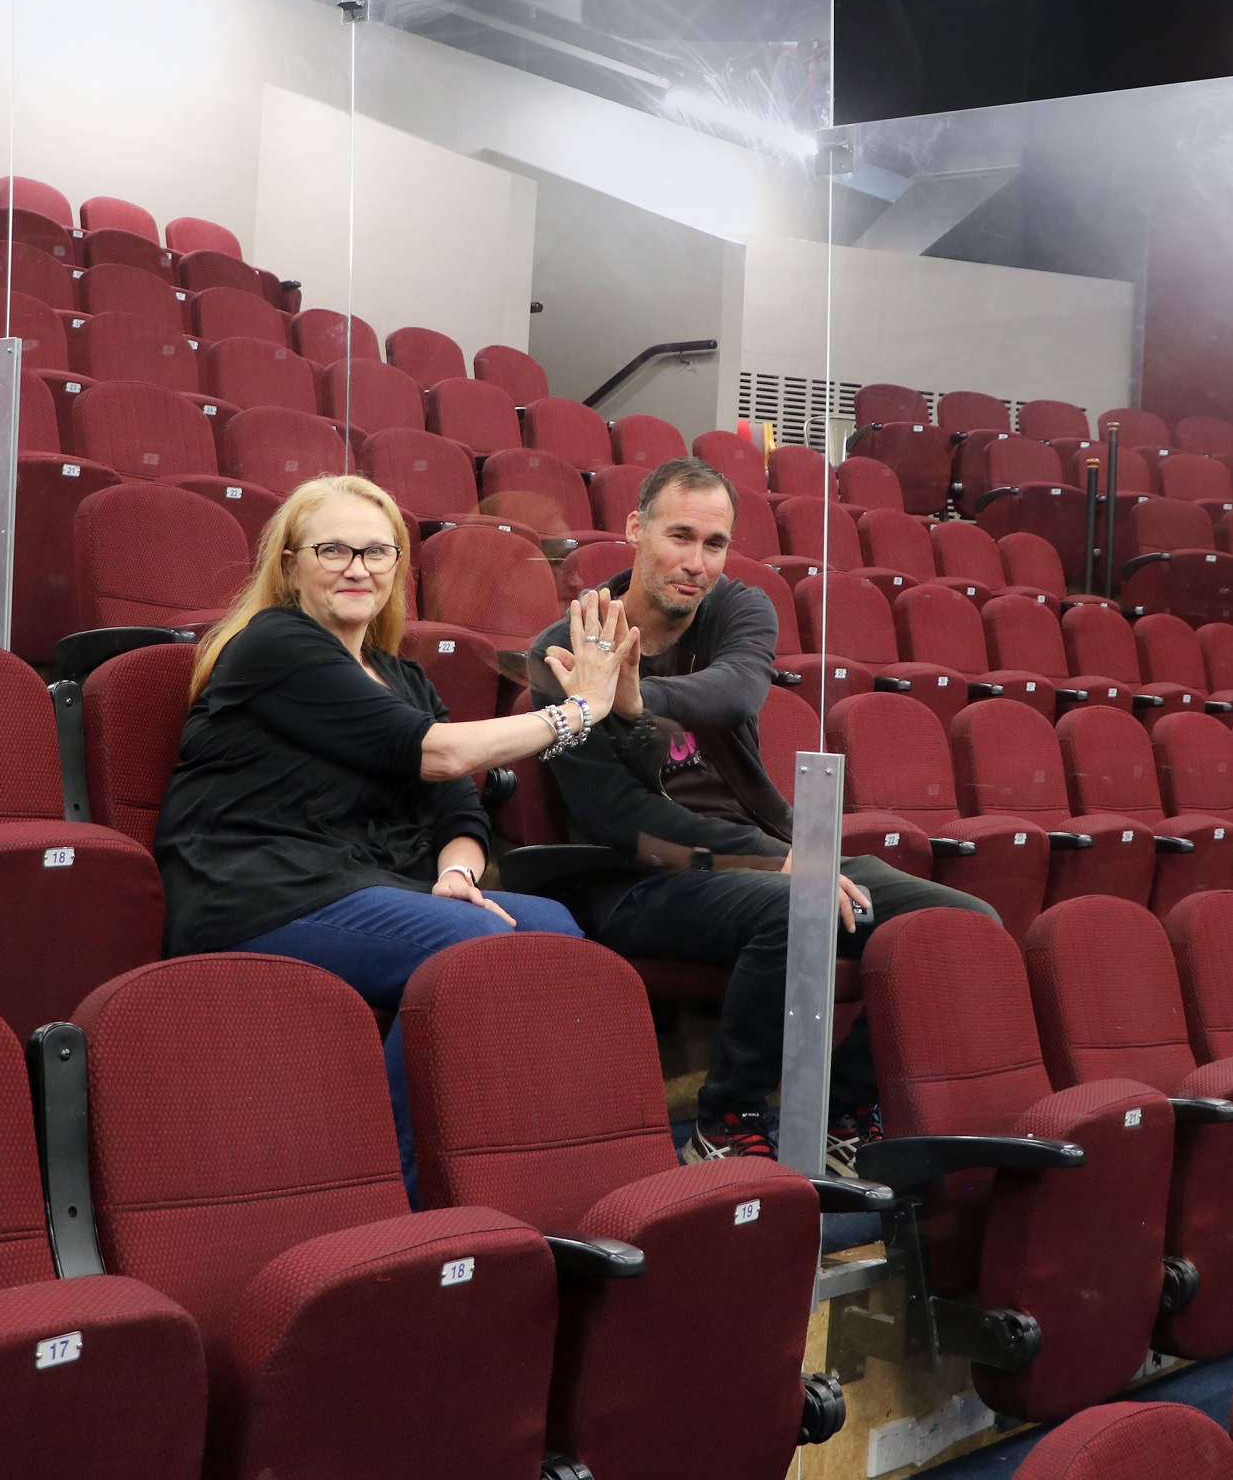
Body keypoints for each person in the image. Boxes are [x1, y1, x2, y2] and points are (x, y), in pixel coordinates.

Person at [526, 455, 999, 1167]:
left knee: (963, 926)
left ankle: (844, 1114)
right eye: (679, 537)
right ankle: (725, 1123)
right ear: (634, 529)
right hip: (636, 876)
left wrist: (635, 701)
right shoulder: (563, 651)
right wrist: (780, 862)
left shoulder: (736, 609)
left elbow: (738, 692)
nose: (696, 562)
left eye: (714, 544)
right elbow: (618, 818)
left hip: (760, 853)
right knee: (794, 905)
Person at [157, 473, 635, 1173]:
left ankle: (531, 1170)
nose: (359, 568)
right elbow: (437, 756)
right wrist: (578, 710)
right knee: (474, 947)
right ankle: (401, 1184)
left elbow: (460, 810)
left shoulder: (402, 678)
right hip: (257, 893)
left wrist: (456, 874)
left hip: (370, 888)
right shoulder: (274, 643)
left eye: (377, 553)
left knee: (557, 930)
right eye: (334, 551)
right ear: (289, 566)